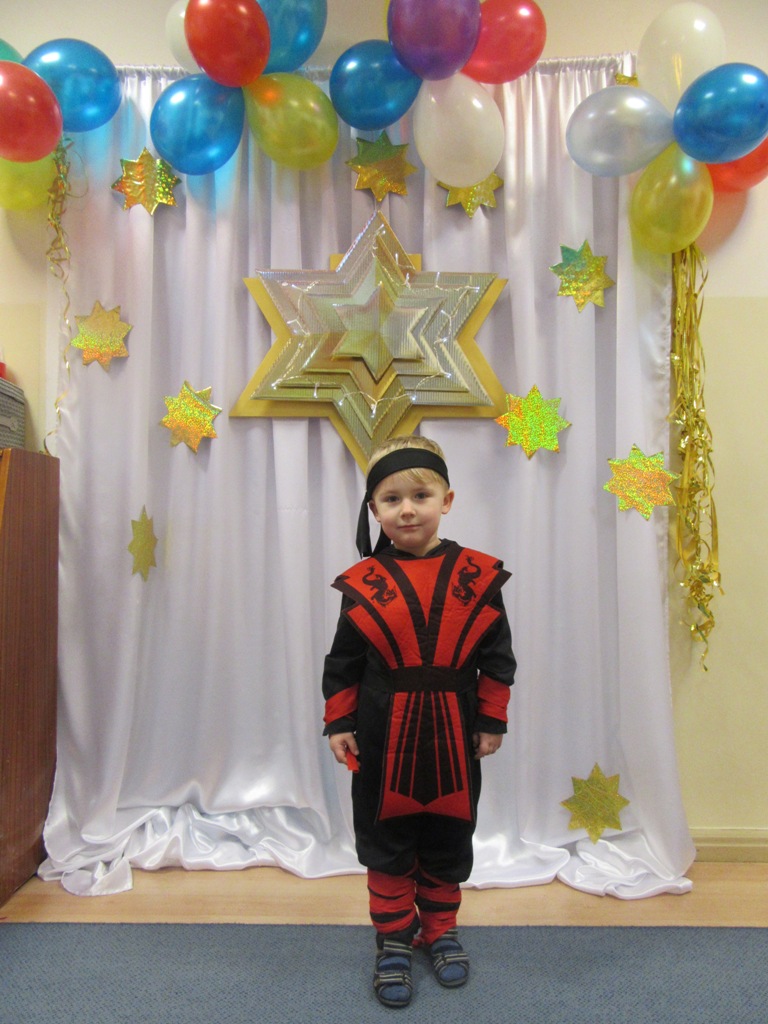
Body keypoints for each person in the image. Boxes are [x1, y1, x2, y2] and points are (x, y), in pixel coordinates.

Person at [322, 435, 517, 1008]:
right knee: (385, 840)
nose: (407, 510)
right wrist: (339, 723)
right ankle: (392, 940)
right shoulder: (363, 582)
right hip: (381, 735)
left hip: (454, 734)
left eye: (420, 496)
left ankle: (440, 931)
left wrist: (492, 719)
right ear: (374, 509)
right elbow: (343, 662)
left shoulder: (478, 574)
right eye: (391, 499)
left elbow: (497, 657)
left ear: (446, 500)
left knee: (448, 837)